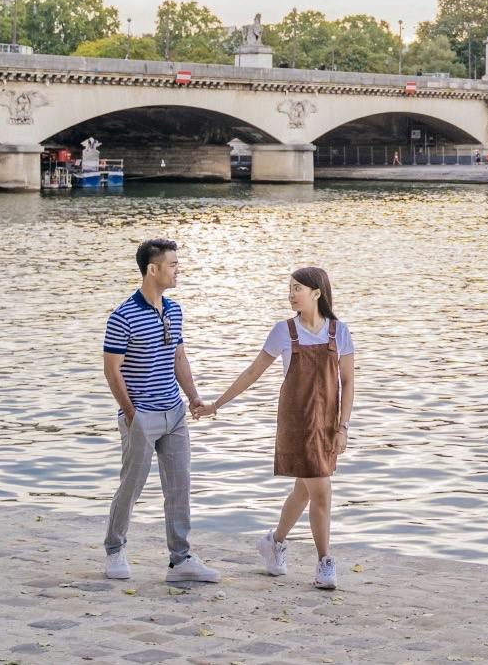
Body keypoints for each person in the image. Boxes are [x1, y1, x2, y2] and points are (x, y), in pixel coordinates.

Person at [200, 265, 356, 590]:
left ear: (317, 292)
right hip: (296, 424)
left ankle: (274, 542)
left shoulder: (339, 332)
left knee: (305, 490)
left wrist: (343, 427)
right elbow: (252, 372)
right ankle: (325, 561)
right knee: (322, 491)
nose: (291, 293)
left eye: (297, 288)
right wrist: (217, 404)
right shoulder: (284, 331)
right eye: (290, 287)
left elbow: (348, 382)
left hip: (327, 424)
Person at [101, 238, 219, 583]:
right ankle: (114, 548)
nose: (178, 271)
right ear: (153, 269)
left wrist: (194, 397)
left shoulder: (175, 310)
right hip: (141, 416)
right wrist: (131, 414)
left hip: (174, 412)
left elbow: (178, 357)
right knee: (132, 485)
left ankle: (180, 560)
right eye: (173, 265)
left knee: (180, 485)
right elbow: (112, 370)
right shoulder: (122, 316)